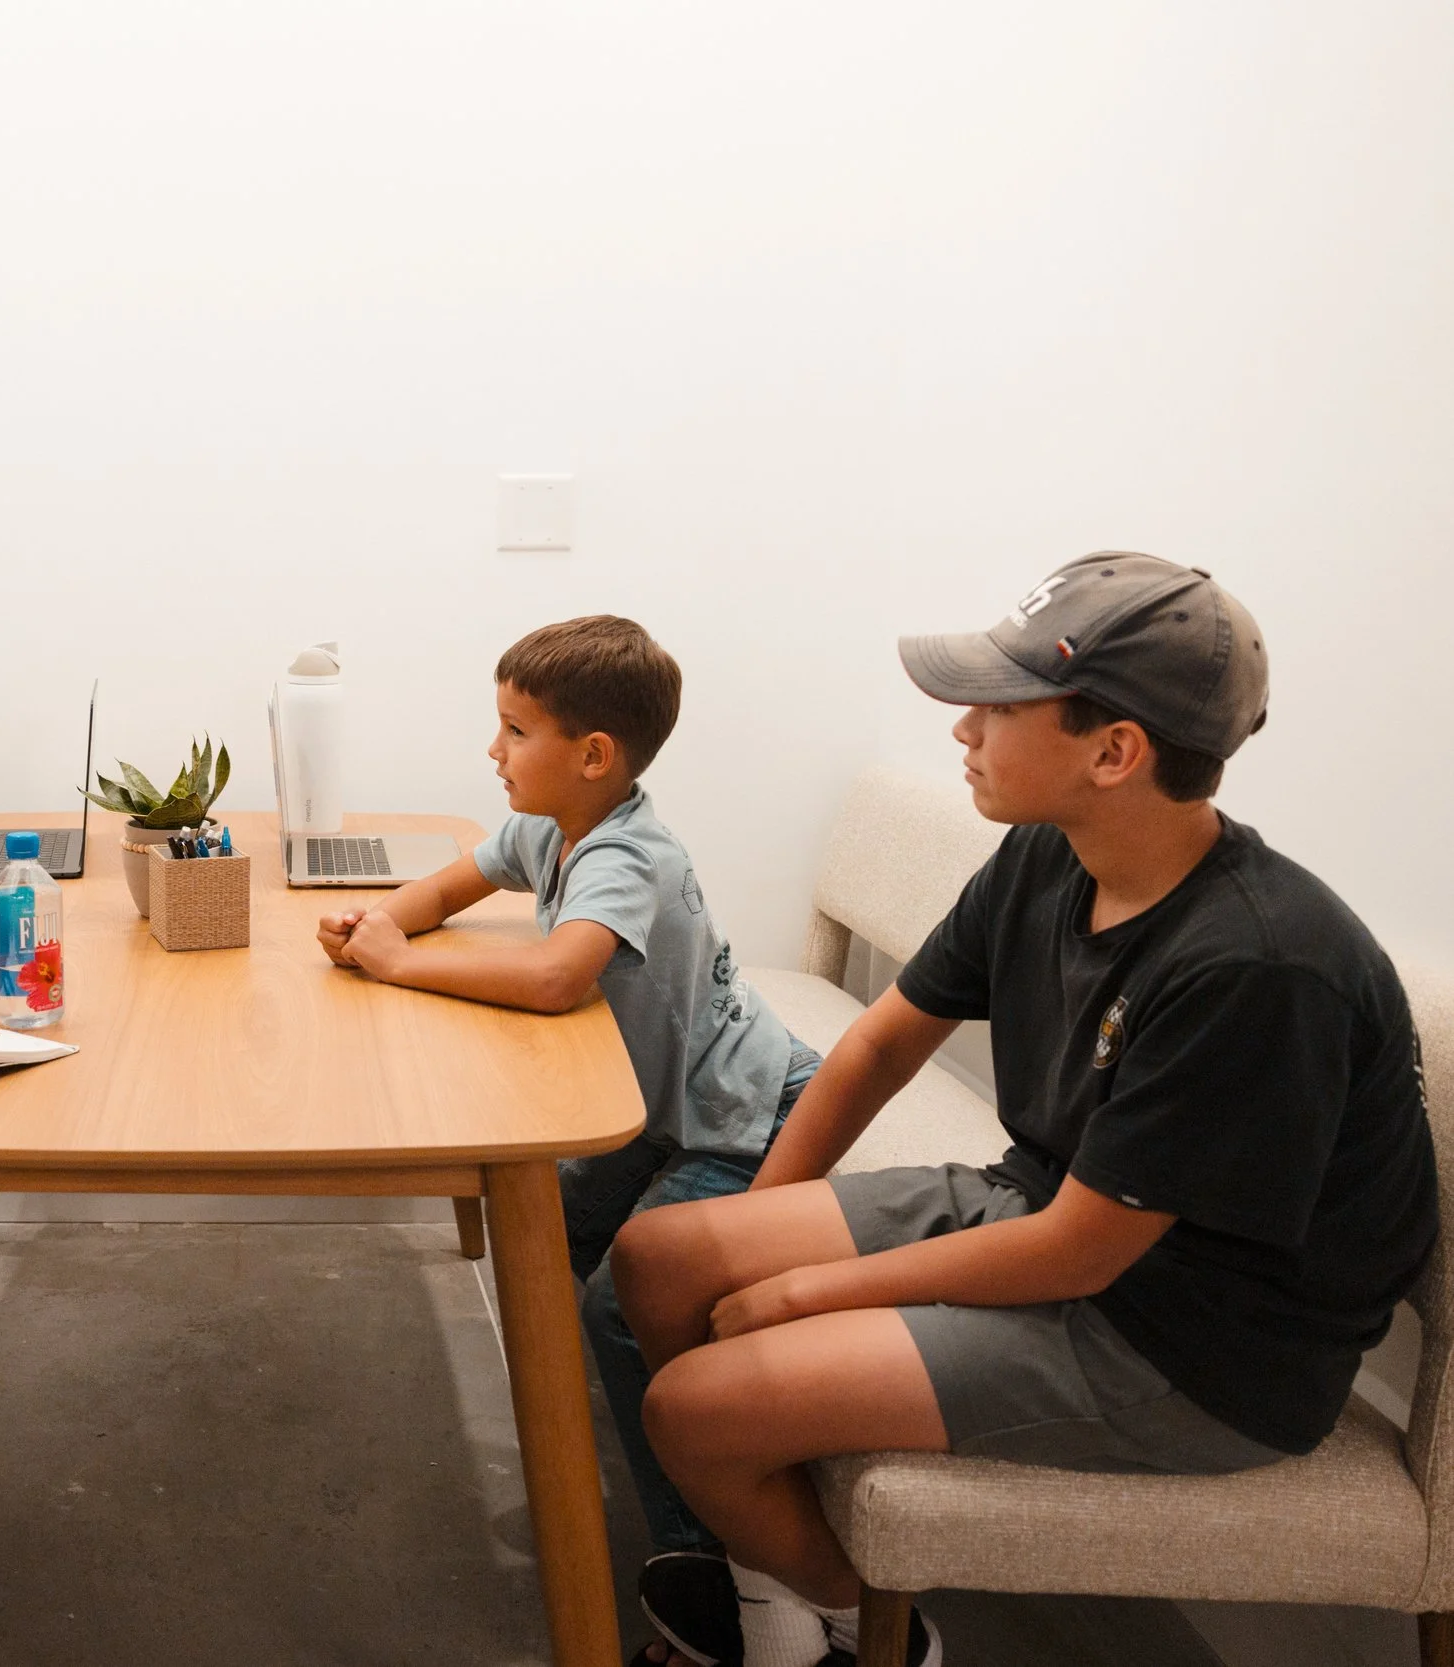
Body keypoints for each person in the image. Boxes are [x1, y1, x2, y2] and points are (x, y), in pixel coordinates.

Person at [618, 553, 1436, 1667]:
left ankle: (852, 1626)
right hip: (1047, 1205)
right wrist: (756, 1237)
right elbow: (882, 1040)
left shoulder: (1259, 965)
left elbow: (1080, 1255)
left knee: (694, 1410)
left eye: (999, 705)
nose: (963, 727)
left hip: (1190, 1350)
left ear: (1114, 750)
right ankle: (786, 1592)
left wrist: (804, 1291)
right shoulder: (1048, 850)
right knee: (666, 1257)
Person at [315, 614, 820, 1585]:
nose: (491, 749)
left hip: (743, 1112)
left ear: (592, 754)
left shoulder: (625, 857)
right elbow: (446, 887)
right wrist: (375, 921)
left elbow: (557, 979)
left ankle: (694, 1543)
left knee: (617, 1302)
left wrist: (398, 965)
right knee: (548, 1221)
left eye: (513, 730)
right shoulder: (549, 826)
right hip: (661, 1103)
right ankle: (600, 1434)